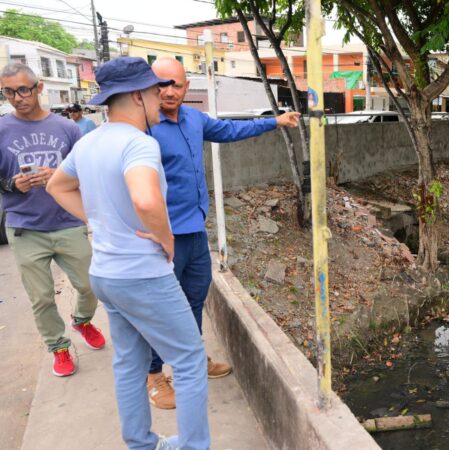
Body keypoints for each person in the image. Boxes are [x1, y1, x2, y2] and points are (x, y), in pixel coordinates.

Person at [47, 56, 209, 450]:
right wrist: (166, 239)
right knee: (189, 361)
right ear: (137, 96)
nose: (161, 99)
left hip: (107, 275)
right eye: (156, 91)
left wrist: (98, 219)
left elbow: (57, 186)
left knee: (129, 363)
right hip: (143, 274)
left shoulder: (89, 142)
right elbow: (146, 200)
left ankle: (141, 443)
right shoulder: (140, 142)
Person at [144, 57, 300, 409]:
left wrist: (274, 121)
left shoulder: (194, 119)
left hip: (195, 230)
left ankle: (194, 360)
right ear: (150, 87)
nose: (169, 91)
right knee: (162, 307)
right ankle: (154, 375)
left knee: (195, 298)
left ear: (187, 88)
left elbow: (230, 131)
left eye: (176, 84)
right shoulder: (144, 126)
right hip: (163, 236)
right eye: (161, 84)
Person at [0, 63, 105, 377]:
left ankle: (82, 320)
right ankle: (59, 347)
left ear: (39, 87)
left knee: (91, 285)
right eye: (8, 92)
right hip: (24, 226)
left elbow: (89, 172)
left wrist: (59, 177)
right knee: (42, 297)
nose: (17, 97)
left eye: (23, 89)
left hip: (68, 220)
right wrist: (10, 185)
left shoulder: (67, 128)